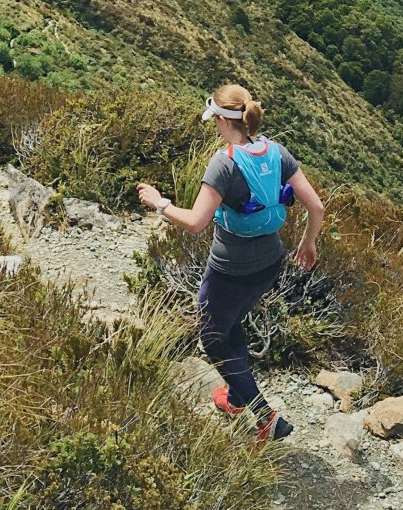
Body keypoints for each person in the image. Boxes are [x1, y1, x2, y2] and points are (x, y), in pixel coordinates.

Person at [137, 82, 324, 442]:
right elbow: (316, 206)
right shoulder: (277, 152)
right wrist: (308, 242)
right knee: (232, 320)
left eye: (215, 121)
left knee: (211, 337)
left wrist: (158, 203)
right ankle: (236, 397)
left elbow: (195, 223)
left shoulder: (224, 164)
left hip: (229, 269)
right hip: (270, 263)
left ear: (224, 121)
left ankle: (266, 417)